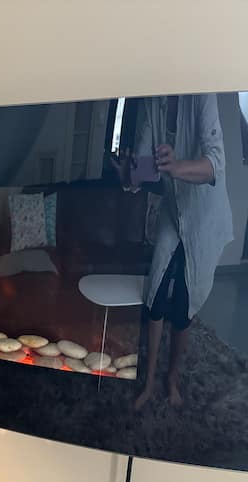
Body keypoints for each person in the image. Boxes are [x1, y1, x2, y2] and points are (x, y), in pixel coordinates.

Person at [114, 94, 233, 408]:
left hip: (204, 214)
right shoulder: (154, 102)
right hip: (173, 208)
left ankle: (172, 378)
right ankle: (150, 381)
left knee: (183, 305)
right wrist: (128, 175)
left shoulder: (203, 97)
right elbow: (144, 172)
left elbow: (216, 163)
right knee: (154, 298)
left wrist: (176, 165)